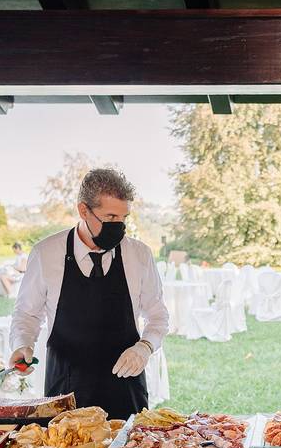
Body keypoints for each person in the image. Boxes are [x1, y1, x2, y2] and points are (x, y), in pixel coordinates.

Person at [9, 168, 169, 419]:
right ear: (83, 210)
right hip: (65, 390)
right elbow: (27, 315)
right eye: (110, 216)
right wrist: (22, 345)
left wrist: (145, 347)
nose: (118, 226)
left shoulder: (139, 255)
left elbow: (158, 316)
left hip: (126, 389)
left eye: (123, 218)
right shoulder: (46, 253)